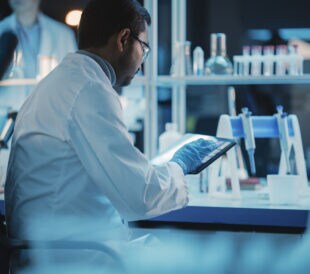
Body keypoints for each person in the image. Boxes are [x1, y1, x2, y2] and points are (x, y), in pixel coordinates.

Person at [4, 0, 212, 271]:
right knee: (206, 259)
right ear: (124, 39)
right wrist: (180, 167)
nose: (142, 64)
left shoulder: (63, 80)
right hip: (75, 256)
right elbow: (140, 194)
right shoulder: (89, 89)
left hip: (58, 247)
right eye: (144, 50)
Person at [0, 0, 77, 110]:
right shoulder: (2, 31)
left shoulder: (63, 35)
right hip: (6, 120)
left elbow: (72, 82)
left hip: (48, 117)